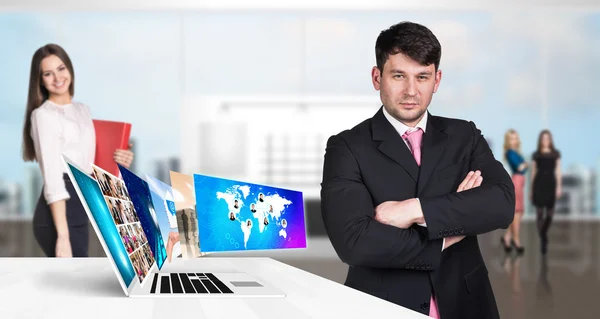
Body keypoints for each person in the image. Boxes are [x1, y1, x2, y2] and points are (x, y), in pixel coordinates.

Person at [320, 22, 514, 319]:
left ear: (436, 80)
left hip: (467, 304)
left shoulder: (465, 136)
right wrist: (453, 229)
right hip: (382, 307)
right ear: (377, 77)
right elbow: (355, 243)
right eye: (399, 76)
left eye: (422, 77)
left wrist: (413, 210)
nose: (411, 91)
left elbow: (501, 204)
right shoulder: (346, 147)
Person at [22, 44, 134, 258]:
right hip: (59, 212)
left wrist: (121, 159)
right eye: (48, 73)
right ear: (40, 80)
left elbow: (91, 161)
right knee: (73, 281)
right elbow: (53, 177)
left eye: (61, 68)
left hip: (81, 203)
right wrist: (62, 236)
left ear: (70, 69)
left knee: (74, 281)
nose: (57, 78)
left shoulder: (83, 110)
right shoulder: (43, 115)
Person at [531, 130, 561, 255]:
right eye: (543, 138)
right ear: (540, 140)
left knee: (550, 213)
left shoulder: (555, 154)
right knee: (539, 213)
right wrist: (532, 189)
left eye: (547, 138)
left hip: (550, 184)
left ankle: (543, 234)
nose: (545, 140)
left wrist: (559, 187)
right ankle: (543, 240)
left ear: (550, 140)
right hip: (539, 183)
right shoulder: (536, 154)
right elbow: (533, 172)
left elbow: (558, 171)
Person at [502, 129, 527, 254]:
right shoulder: (510, 153)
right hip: (517, 181)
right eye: (512, 138)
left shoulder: (516, 152)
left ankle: (507, 238)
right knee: (517, 212)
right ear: (508, 141)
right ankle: (516, 240)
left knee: (520, 211)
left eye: (516, 138)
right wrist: (525, 164)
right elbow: (520, 167)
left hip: (520, 181)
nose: (514, 140)